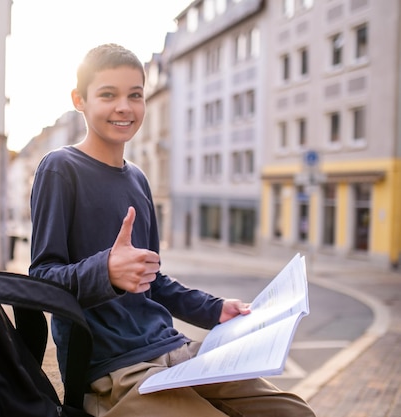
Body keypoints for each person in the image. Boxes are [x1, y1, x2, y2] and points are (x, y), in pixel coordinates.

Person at [29, 43, 316, 417]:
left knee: (293, 411)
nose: (124, 107)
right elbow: (41, 281)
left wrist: (216, 310)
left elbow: (154, 281)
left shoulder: (138, 179)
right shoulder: (60, 168)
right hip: (113, 369)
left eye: (135, 95)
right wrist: (107, 271)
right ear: (79, 100)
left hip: (173, 349)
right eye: (107, 95)